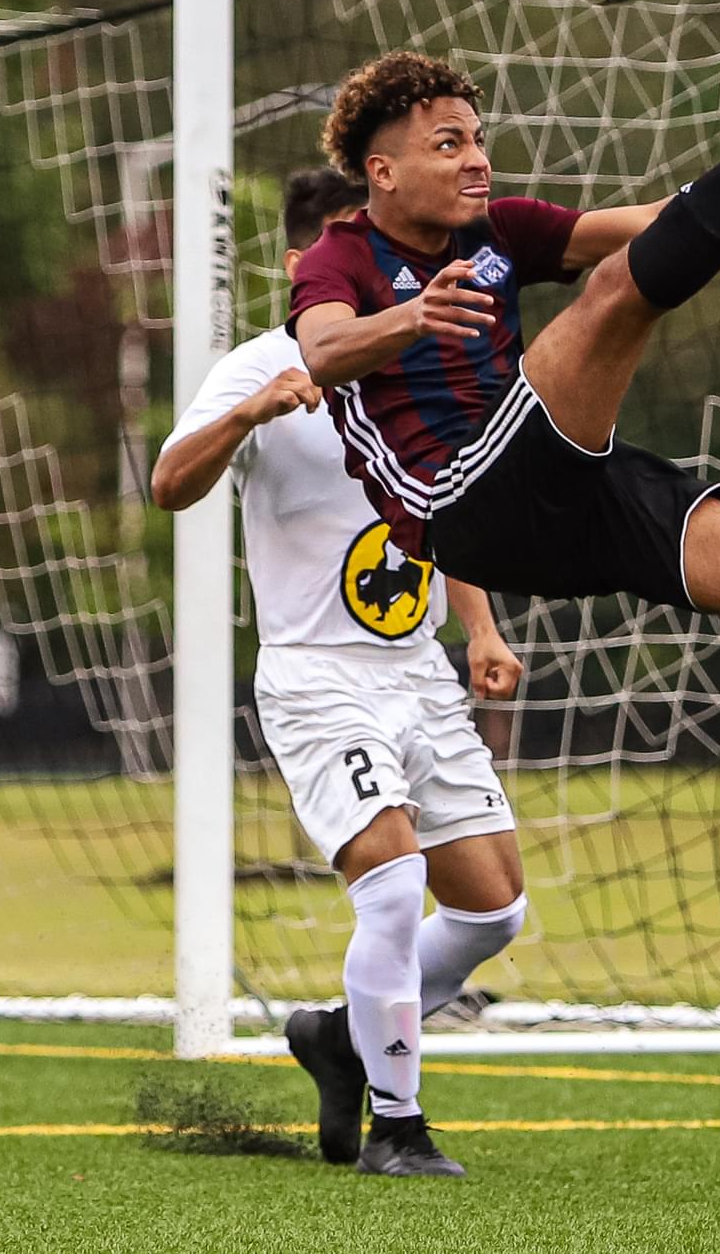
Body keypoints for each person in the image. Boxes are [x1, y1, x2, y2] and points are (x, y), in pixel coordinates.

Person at [289, 0, 720, 985]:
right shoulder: (338, 259)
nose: (475, 161)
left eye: (477, 138)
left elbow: (660, 220)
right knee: (618, 296)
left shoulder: (498, 233)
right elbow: (314, 354)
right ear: (381, 171)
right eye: (448, 145)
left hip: (562, 485)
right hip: (463, 502)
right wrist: (406, 318)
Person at [153, 169, 525, 1178]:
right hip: (317, 678)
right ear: (298, 267)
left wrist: (480, 628)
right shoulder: (257, 367)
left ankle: (342, 1037)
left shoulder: (428, 362)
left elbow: (445, 509)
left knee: (495, 909)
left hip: (417, 675)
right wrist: (249, 414)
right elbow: (167, 482)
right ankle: (397, 1128)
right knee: (395, 890)